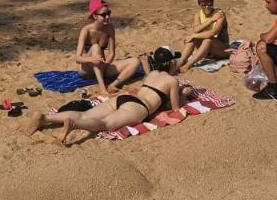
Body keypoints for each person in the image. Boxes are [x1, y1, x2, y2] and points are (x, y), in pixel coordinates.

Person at [26, 47, 186, 144]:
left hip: (124, 98)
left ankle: (46, 118)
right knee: (106, 124)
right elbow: (174, 108)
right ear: (171, 63)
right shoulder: (172, 80)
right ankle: (74, 125)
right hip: (138, 107)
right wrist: (185, 94)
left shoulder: (151, 75)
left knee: (84, 114)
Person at [74, 0, 140, 94]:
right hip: (86, 69)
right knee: (95, 47)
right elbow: (78, 58)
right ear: (94, 16)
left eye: (109, 13)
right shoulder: (86, 31)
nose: (107, 17)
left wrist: (105, 65)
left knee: (135, 61)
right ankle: (102, 88)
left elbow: (112, 53)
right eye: (104, 15)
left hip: (102, 66)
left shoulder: (109, 28)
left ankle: (113, 85)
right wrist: (91, 59)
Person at [179, 0, 230, 72]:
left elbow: (212, 33)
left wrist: (193, 35)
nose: (207, 7)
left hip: (222, 49)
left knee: (207, 40)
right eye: (204, 5)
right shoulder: (198, 15)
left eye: (210, 4)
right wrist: (211, 20)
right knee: (193, 39)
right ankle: (181, 61)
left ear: (213, 3)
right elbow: (196, 29)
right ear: (199, 4)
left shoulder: (220, 15)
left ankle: (189, 65)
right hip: (207, 51)